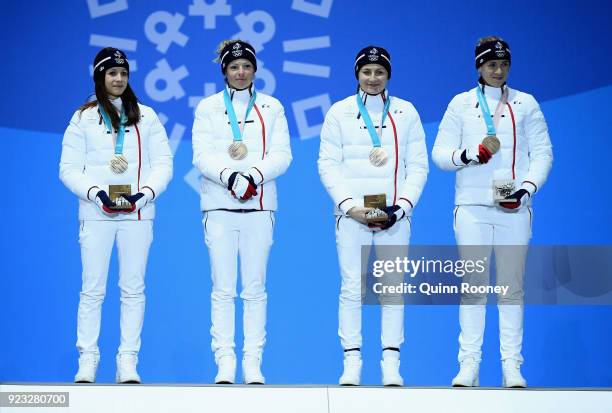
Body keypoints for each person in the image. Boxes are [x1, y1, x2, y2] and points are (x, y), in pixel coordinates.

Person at [432, 36, 553, 388]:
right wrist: (467, 155)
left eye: (503, 65)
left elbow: (543, 153)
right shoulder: (461, 104)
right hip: (471, 208)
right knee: (473, 287)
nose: (498, 71)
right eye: (491, 65)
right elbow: (440, 153)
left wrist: (526, 188)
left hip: (514, 208)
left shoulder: (526, 103)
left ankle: (512, 366)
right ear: (479, 67)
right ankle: (468, 365)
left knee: (511, 289)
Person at [60, 47, 173, 383]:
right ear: (100, 77)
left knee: (133, 289)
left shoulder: (147, 116)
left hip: (137, 215)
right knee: (92, 289)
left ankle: (127, 361)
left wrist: (143, 195)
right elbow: (68, 169)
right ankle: (88, 360)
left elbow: (164, 164)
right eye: (112, 73)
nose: (119, 79)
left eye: (123, 74)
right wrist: (96, 194)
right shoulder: (83, 117)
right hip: (96, 215)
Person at [318, 46, 428, 386]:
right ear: (357, 74)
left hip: (394, 218)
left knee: (393, 290)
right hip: (352, 218)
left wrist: (401, 207)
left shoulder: (406, 112)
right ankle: (352, 362)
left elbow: (418, 166)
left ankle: (391, 363)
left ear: (388, 75)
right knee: (351, 288)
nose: (373, 78)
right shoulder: (339, 112)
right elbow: (327, 164)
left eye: (379, 72)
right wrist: (351, 207)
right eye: (366, 71)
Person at [192, 39, 292, 385]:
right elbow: (202, 155)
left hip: (259, 205)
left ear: (255, 69)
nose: (240, 72)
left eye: (246, 66)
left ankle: (253, 362)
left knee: (254, 288)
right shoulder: (207, 108)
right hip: (219, 205)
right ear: (224, 70)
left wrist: (251, 176)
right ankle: (225, 361)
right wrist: (230, 177)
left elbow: (282, 154)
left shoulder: (272, 107)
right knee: (222, 288)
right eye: (234, 66)